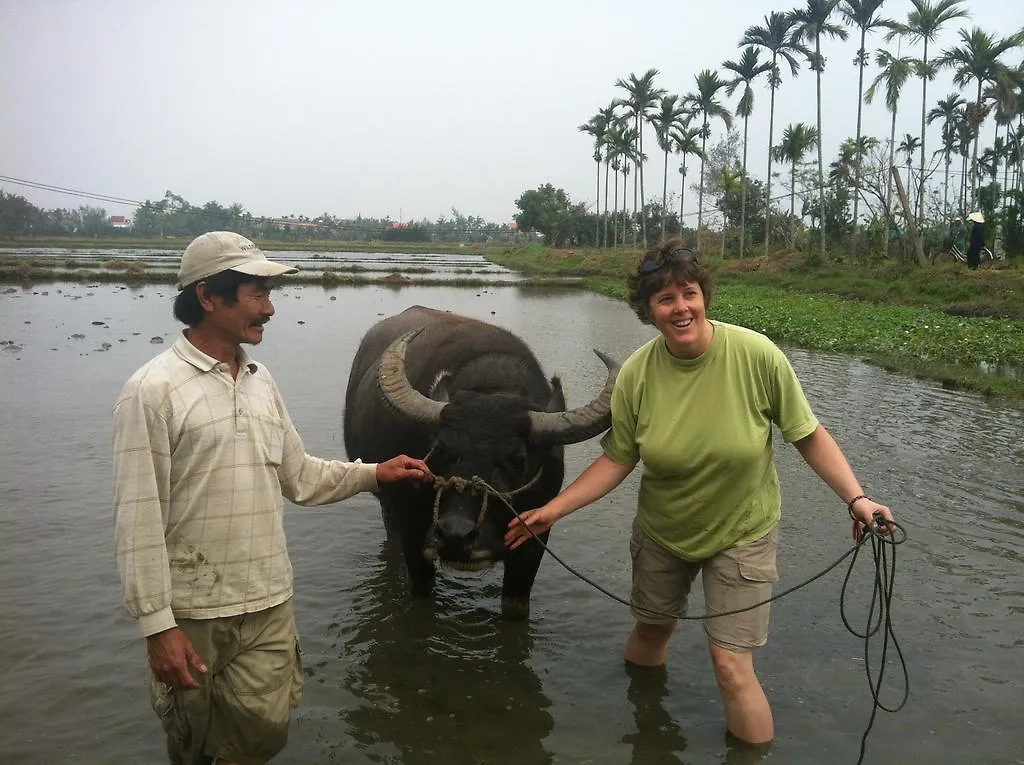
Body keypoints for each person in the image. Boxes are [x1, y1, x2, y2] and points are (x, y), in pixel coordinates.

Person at [505, 237, 895, 749]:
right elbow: (619, 458)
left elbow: (809, 434)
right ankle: (645, 721)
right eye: (664, 300)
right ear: (648, 310)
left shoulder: (757, 356)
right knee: (650, 631)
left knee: (731, 665)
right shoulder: (637, 376)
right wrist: (553, 509)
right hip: (663, 530)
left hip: (743, 531)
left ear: (704, 295)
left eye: (688, 293)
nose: (680, 308)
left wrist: (857, 498)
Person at [113, 231, 433, 765]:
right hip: (193, 609)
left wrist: (379, 472)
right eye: (256, 294)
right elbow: (137, 519)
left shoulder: (262, 381)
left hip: (268, 600)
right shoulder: (152, 392)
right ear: (208, 297)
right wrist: (157, 626)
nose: (270, 309)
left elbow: (300, 477)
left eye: (269, 294)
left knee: (261, 734)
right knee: (188, 737)